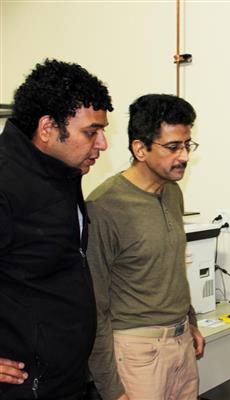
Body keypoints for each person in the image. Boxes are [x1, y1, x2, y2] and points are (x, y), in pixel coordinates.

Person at [0, 59, 112, 399]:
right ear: (48, 127)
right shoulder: (6, 181)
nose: (103, 144)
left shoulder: (63, 172)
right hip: (24, 386)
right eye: (91, 132)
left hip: (66, 377)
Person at [86, 94, 205, 400]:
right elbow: (94, 304)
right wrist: (111, 388)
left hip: (180, 344)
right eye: (172, 147)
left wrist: (189, 321)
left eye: (187, 144)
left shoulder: (172, 192)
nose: (184, 156)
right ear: (140, 149)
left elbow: (171, 266)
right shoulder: (104, 207)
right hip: (137, 352)